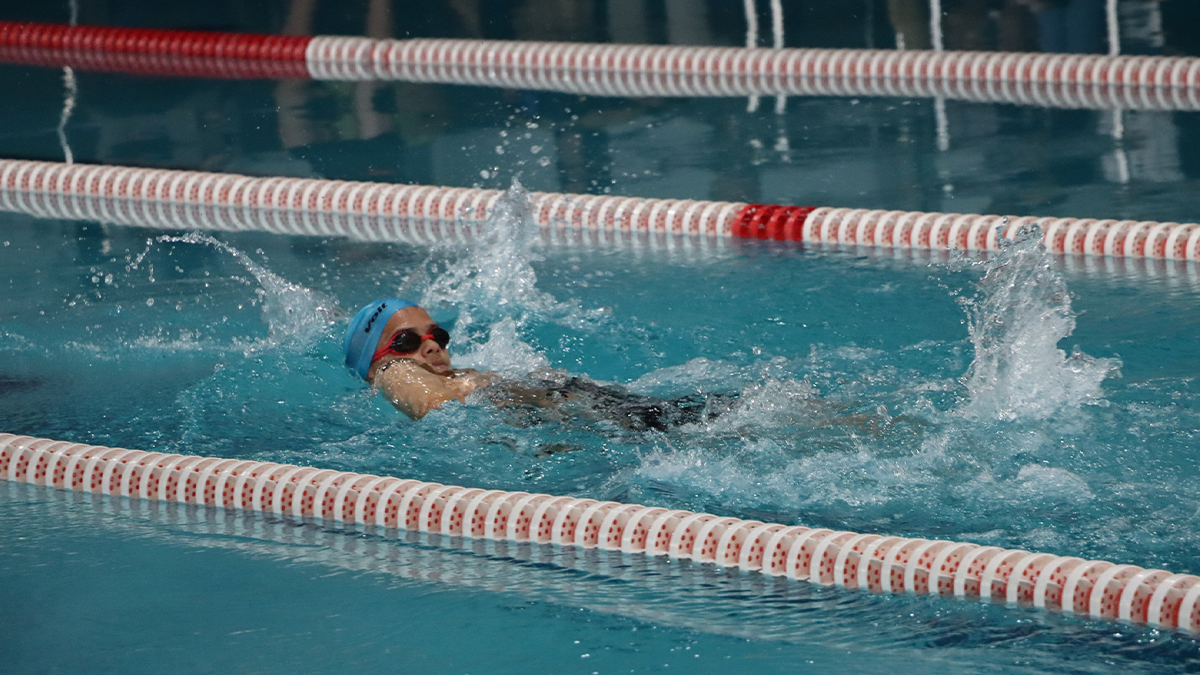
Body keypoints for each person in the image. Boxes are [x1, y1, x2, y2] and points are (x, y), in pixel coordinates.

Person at [343, 298, 736, 429]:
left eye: (437, 336)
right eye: (407, 341)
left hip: (587, 408)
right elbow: (436, 407)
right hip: (585, 414)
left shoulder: (447, 373)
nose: (431, 347)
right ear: (374, 360)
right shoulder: (392, 373)